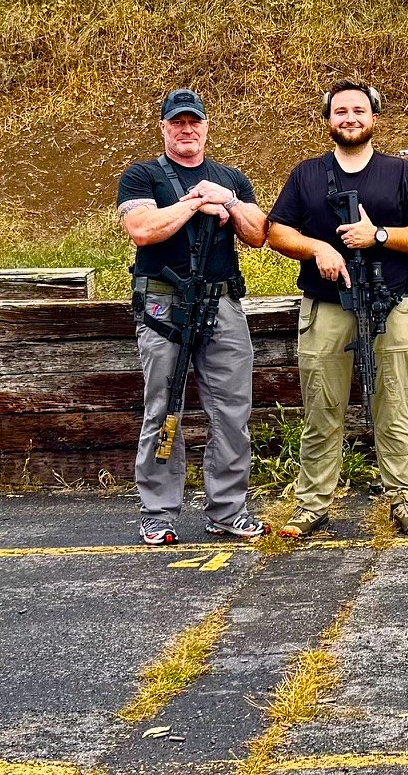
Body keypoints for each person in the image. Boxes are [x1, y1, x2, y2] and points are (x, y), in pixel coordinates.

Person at [267, 81, 408, 538]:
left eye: (358, 110)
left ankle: (405, 499)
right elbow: (277, 232)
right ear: (329, 120)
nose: (349, 118)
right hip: (327, 306)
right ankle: (312, 505)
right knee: (322, 409)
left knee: (394, 408)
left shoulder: (401, 174)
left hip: (391, 304)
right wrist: (318, 249)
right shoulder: (306, 174)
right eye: (340, 111)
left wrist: (379, 236)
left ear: (373, 118)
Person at [116, 88, 270, 545]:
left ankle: (227, 510)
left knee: (232, 411)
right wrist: (194, 203)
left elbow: (259, 233)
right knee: (163, 408)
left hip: (222, 303)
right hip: (164, 306)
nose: (187, 130)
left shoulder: (231, 178)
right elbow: (143, 229)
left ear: (206, 127)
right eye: (177, 122)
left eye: (194, 122)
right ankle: (157, 512)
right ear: (163, 127)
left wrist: (229, 201)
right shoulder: (142, 176)